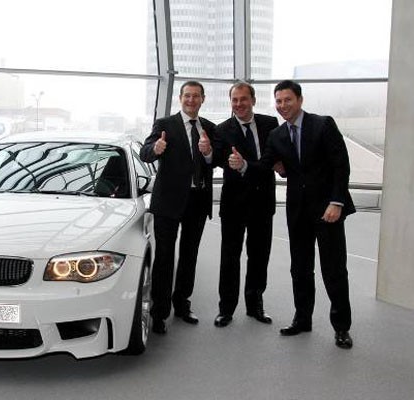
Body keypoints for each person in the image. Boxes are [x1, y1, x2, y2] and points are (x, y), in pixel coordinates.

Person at [228, 80, 355, 349]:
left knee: (333, 269)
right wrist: (243, 166)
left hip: (328, 210)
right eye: (278, 101)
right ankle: (302, 319)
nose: (282, 105)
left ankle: (341, 327)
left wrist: (337, 202)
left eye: (287, 100)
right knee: (300, 268)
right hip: (297, 212)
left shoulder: (323, 124)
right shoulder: (277, 135)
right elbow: (264, 166)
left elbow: (341, 166)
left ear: (300, 100)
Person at [140, 81, 216, 334]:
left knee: (189, 255)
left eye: (196, 96)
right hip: (168, 202)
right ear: (180, 98)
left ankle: (182, 304)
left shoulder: (209, 128)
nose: (191, 100)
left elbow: (215, 160)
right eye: (187, 96)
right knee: (164, 257)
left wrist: (208, 152)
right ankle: (159, 313)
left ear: (203, 99)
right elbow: (145, 152)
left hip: (197, 201)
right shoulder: (165, 124)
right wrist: (156, 148)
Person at [212, 82, 279, 328]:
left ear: (253, 100)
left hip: (263, 202)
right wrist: (209, 153)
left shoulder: (270, 124)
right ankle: (226, 309)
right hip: (234, 204)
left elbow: (273, 159)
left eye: (243, 99)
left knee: (259, 256)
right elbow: (216, 160)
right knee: (230, 258)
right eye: (235, 100)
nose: (239, 104)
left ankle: (255, 305)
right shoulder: (222, 129)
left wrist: (248, 166)